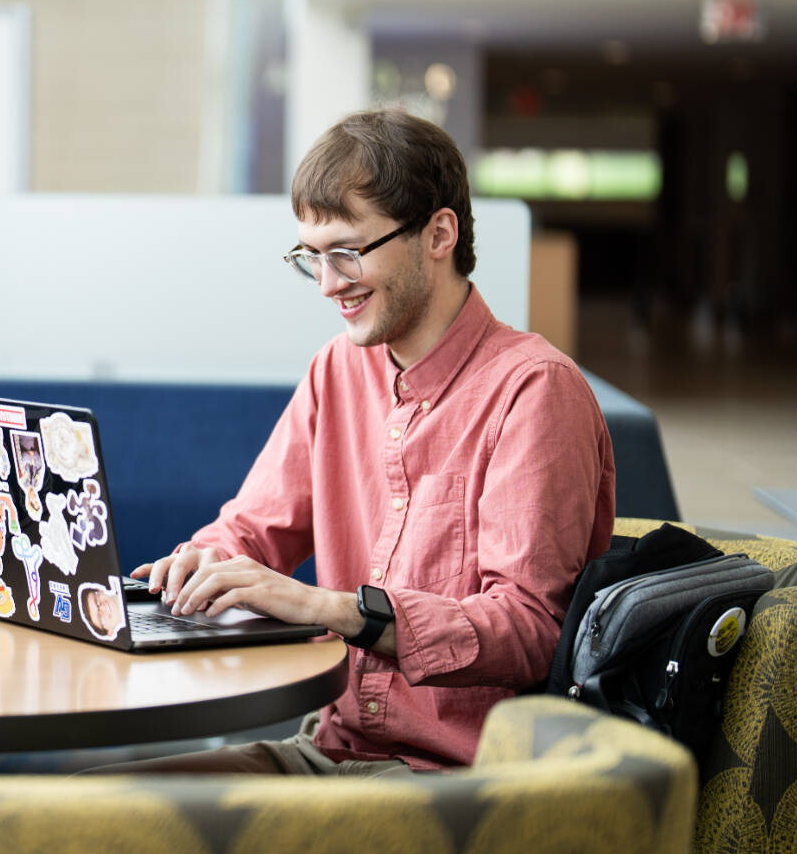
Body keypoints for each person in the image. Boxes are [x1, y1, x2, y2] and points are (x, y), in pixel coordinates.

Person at [127, 108, 615, 775]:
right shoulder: (338, 368)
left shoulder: (534, 390)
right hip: (331, 749)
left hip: (453, 782)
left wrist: (333, 608)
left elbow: (529, 627)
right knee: (71, 819)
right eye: (312, 257)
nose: (328, 283)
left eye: (348, 252)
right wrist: (188, 570)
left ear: (438, 233)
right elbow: (250, 530)